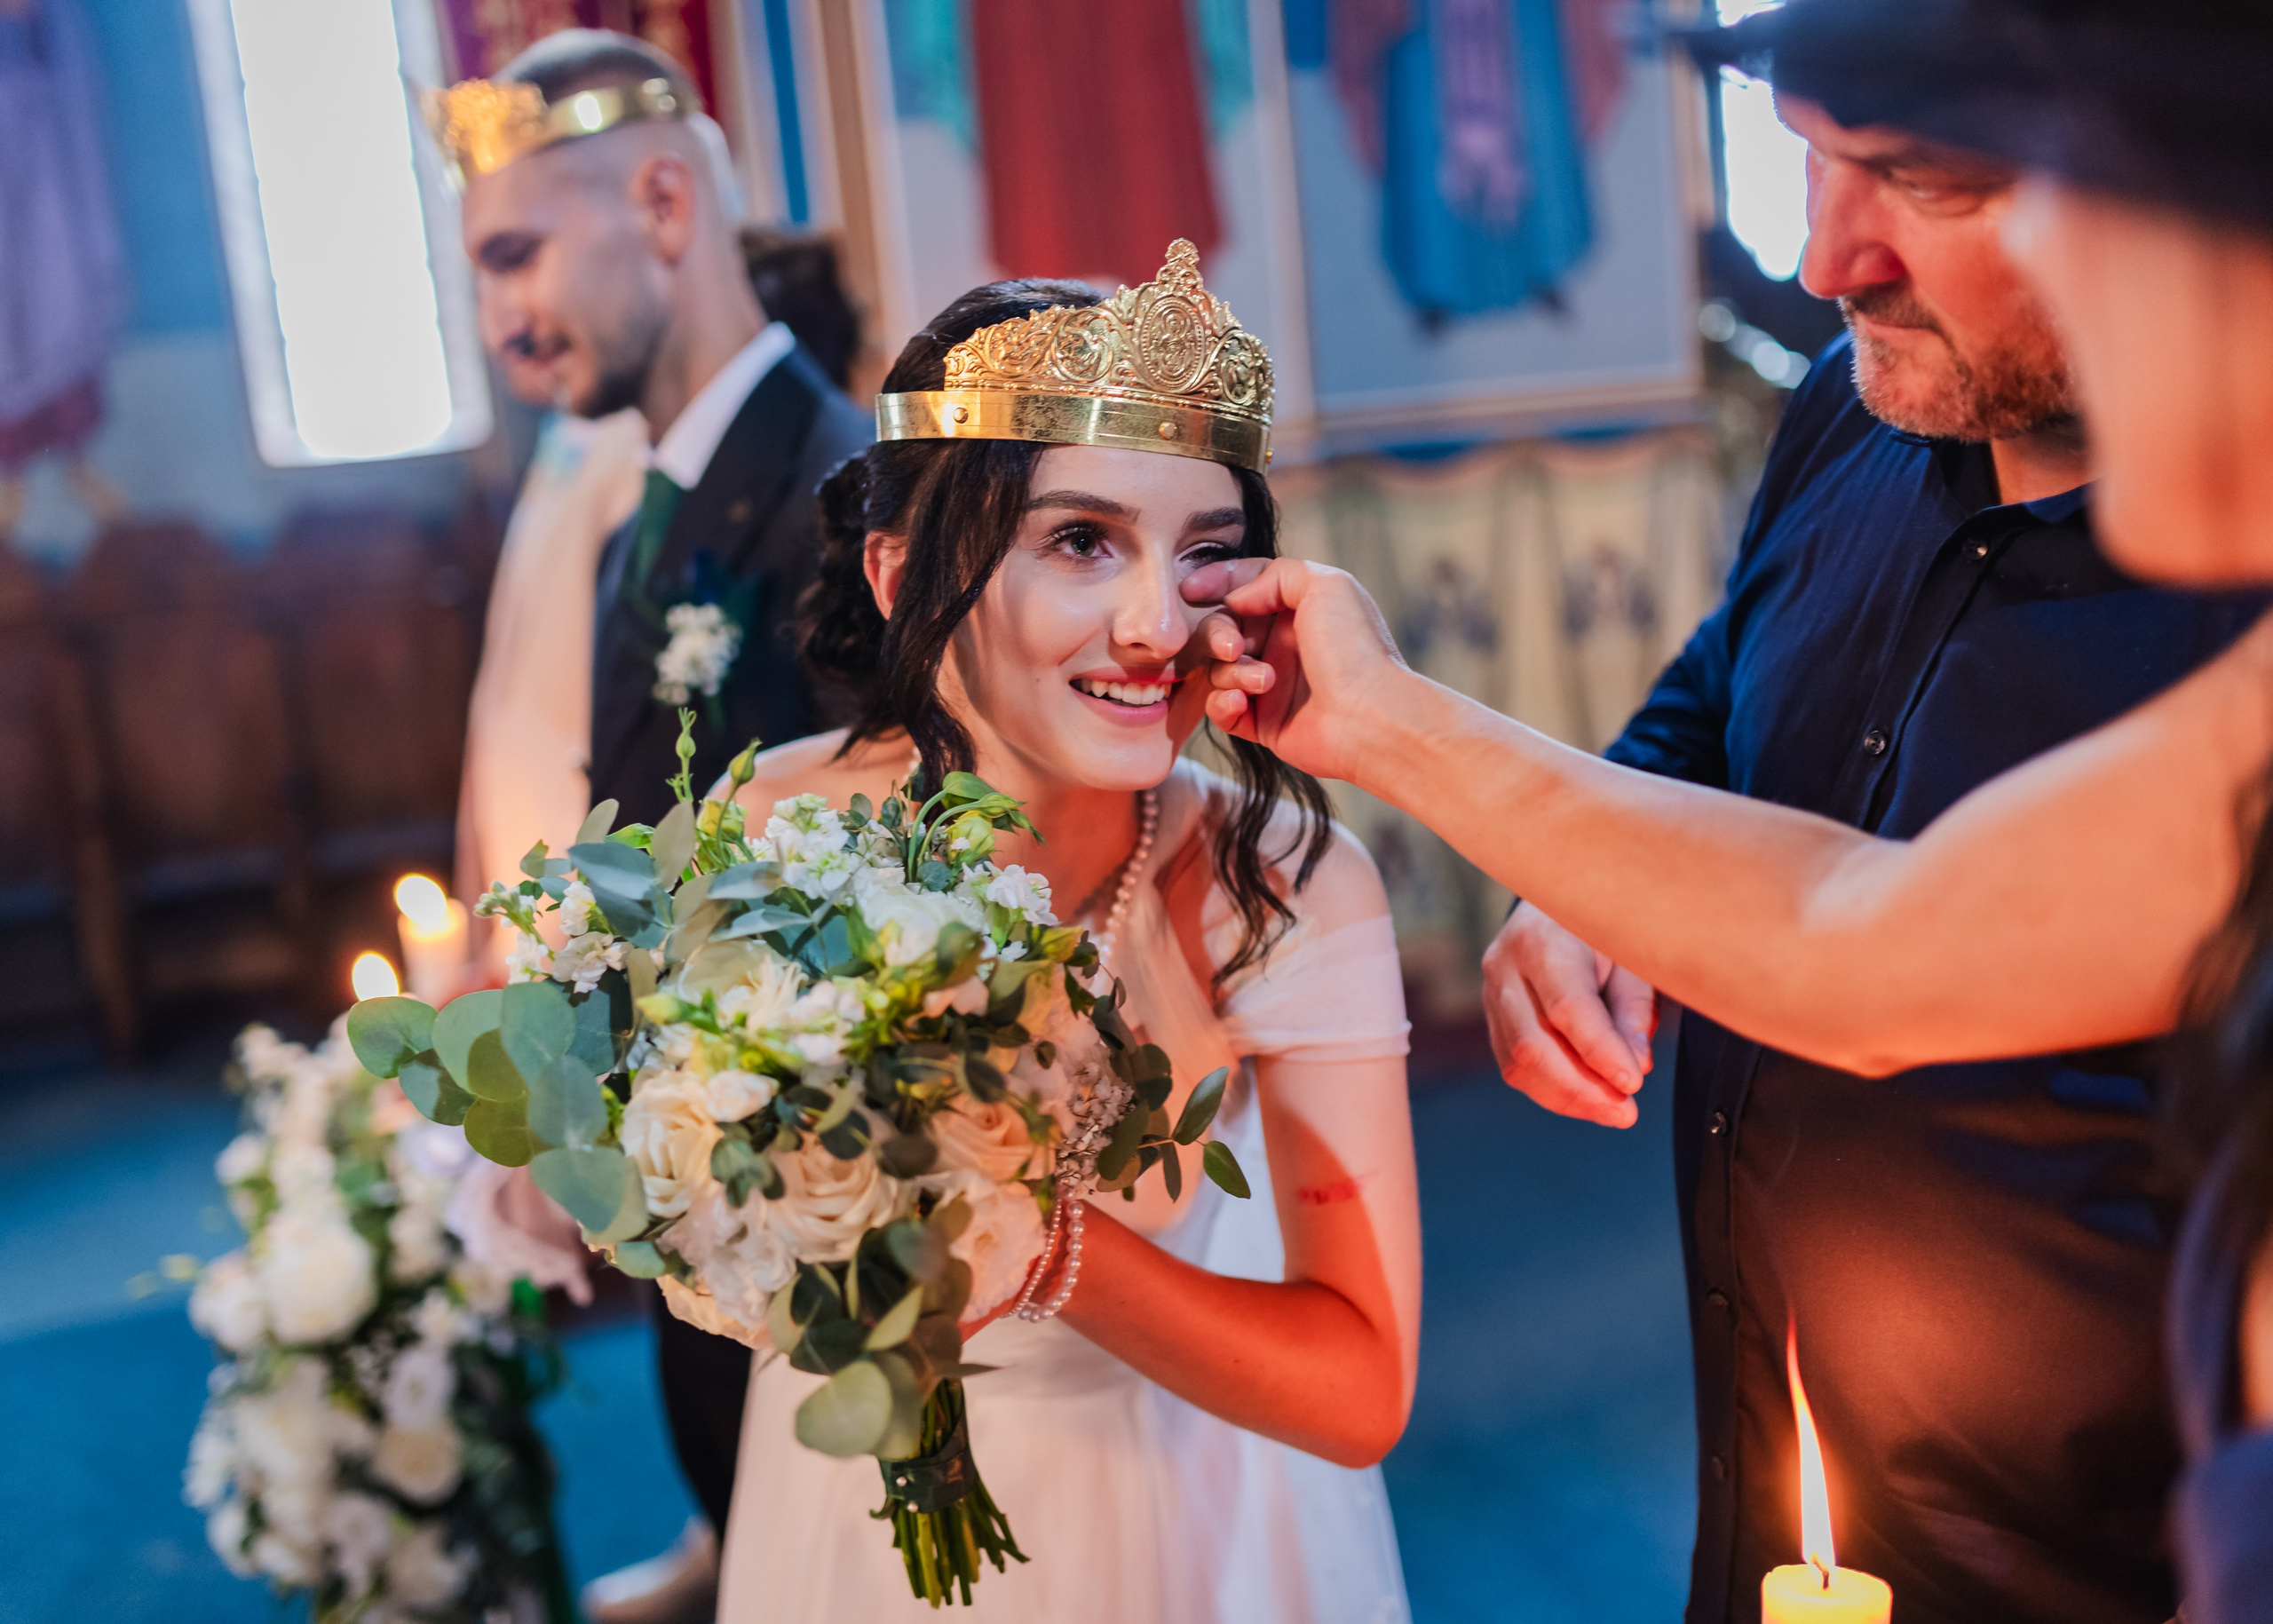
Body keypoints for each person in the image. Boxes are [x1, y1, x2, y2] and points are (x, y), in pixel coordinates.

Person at [1186, 2, 2273, 1619]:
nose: (1829, 259)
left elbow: (1869, 951)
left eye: (1939, 177)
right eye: (1808, 161)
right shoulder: (1859, 406)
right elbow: (1755, 734)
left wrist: (1401, 723)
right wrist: (1598, 870)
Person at [710, 250, 1421, 1620]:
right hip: (841, 1527)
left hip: (1178, 1528)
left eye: (1206, 549)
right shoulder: (768, 827)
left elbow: (1358, 1384)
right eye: (1083, 541)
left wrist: (1048, 1252)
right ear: (901, 569)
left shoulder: (1280, 878)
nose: (1160, 623)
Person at [429, 29, 872, 1621]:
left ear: (665, 202)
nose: (500, 322)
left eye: (518, 256)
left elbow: (855, 926)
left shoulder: (835, 493)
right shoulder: (663, 495)